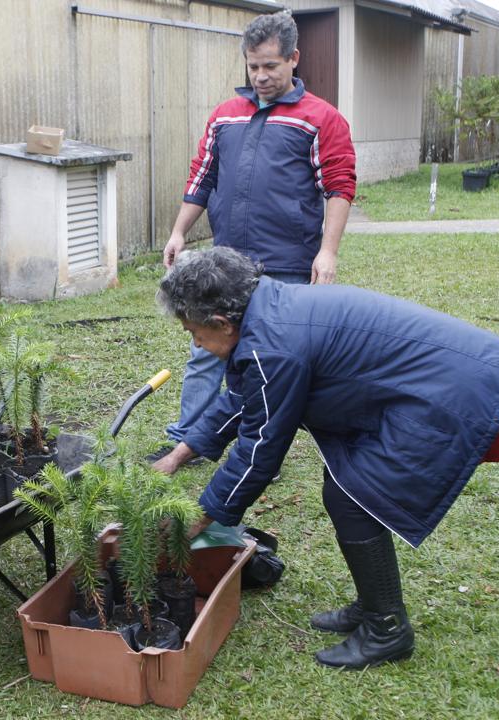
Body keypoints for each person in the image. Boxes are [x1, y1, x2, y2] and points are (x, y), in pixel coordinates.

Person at [154, 247, 499, 670]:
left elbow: (260, 449)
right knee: (346, 489)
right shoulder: (264, 313)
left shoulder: (273, 343)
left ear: (221, 322)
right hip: (443, 378)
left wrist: (202, 518)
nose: (196, 343)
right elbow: (246, 398)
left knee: (355, 497)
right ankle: (373, 607)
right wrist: (178, 456)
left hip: (448, 389)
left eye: (193, 332)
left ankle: (387, 628)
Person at [150, 11, 356, 463]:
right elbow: (202, 178)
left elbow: (339, 186)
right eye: (253, 66)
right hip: (223, 264)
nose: (260, 76)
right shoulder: (226, 116)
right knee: (206, 349)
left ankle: (263, 446)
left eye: (271, 66)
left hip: (285, 262)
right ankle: (190, 439)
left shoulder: (321, 118)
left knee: (272, 364)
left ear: (293, 59)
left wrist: (327, 252)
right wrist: (179, 232)